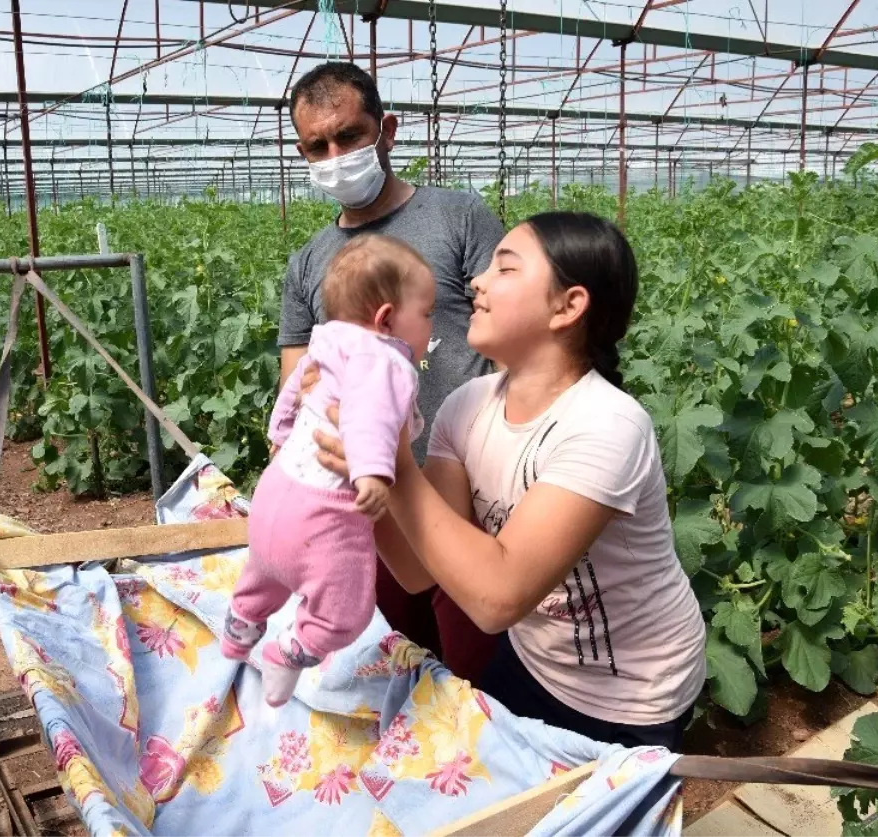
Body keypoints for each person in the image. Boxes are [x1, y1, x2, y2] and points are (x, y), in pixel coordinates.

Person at [307, 212, 707, 750]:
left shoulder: (607, 426)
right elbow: (416, 570)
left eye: (505, 267)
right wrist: (352, 471)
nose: (477, 280)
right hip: (535, 661)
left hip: (635, 694)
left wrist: (393, 460)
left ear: (568, 306)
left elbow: (499, 598)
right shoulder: (465, 407)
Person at [278, 60, 505, 677]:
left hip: (472, 493)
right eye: (316, 146)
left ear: (387, 131)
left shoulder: (459, 217)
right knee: (408, 663)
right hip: (371, 505)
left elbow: (514, 333)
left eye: (349, 136)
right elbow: (297, 390)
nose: (334, 154)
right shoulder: (308, 265)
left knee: (480, 673)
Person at [223, 234, 434, 706]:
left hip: (275, 492)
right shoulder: (385, 359)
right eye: (426, 313)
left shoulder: (326, 343)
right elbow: (368, 416)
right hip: (322, 510)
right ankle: (290, 652)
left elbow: (293, 392)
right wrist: (371, 474)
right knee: (347, 610)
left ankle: (241, 622)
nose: (429, 324)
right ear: (386, 319)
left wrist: (279, 436)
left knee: (266, 569)